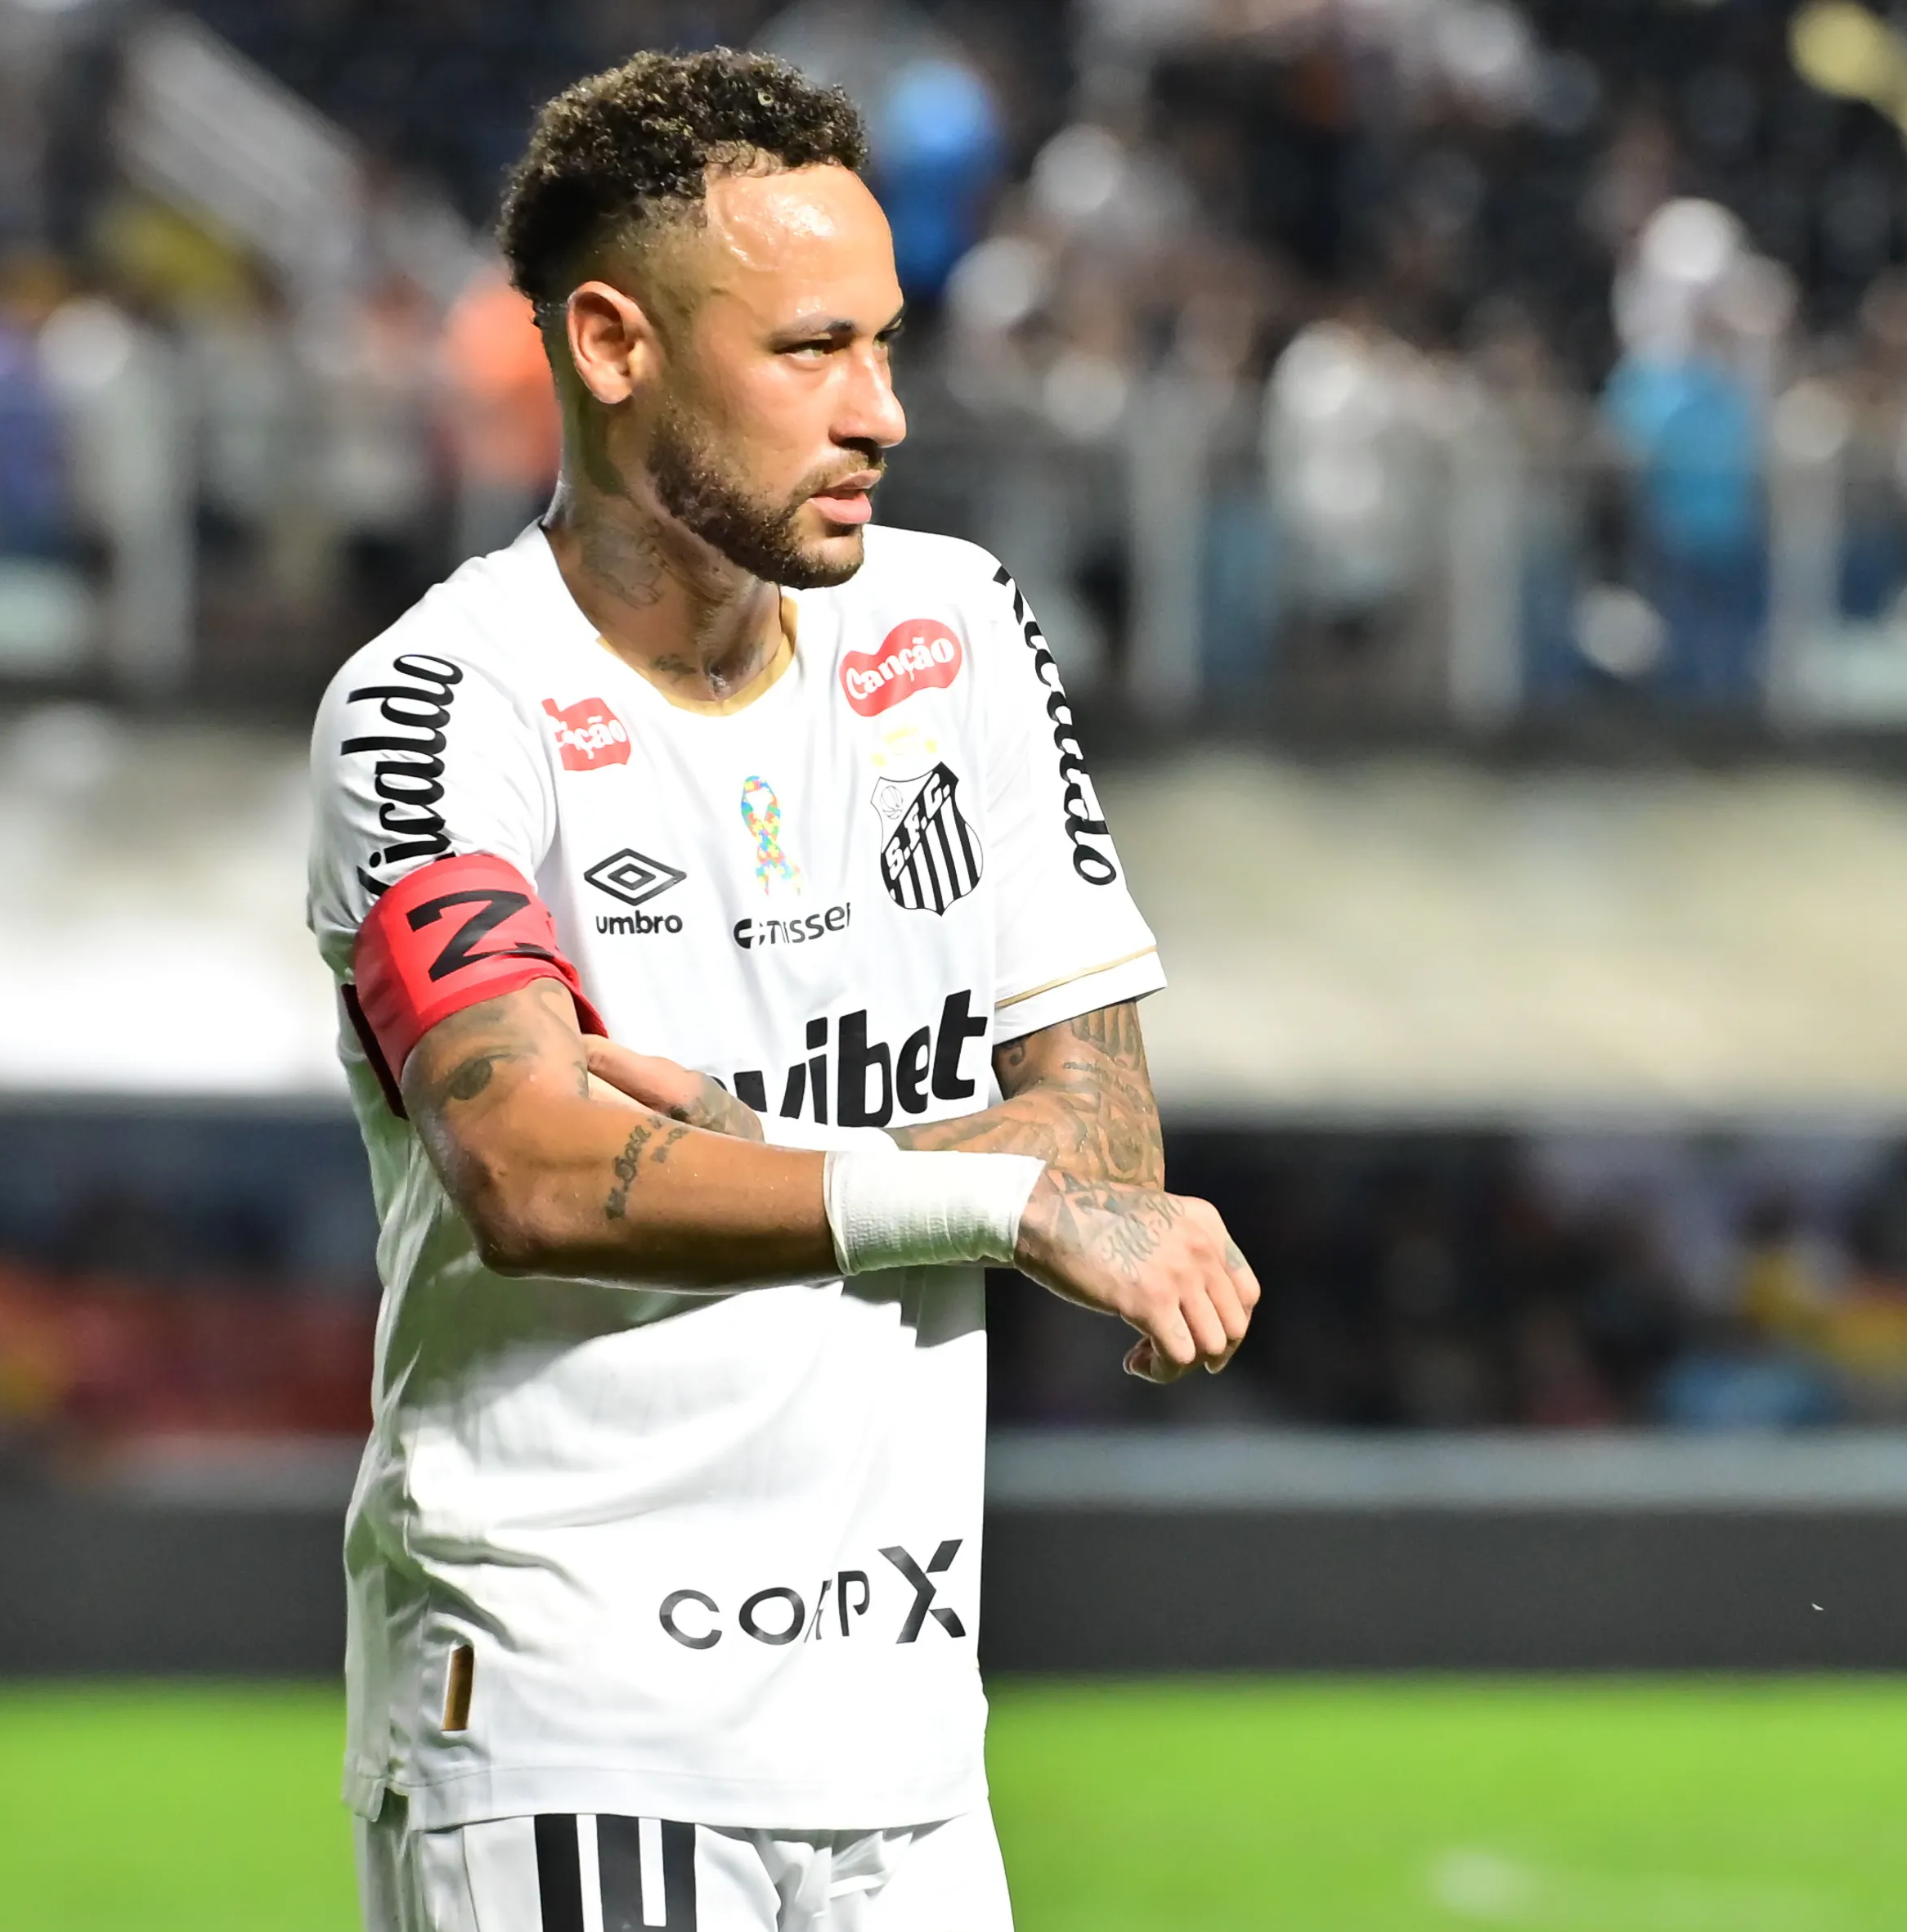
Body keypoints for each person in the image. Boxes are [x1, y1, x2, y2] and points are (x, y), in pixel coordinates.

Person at [305, 51, 1256, 1932]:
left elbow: (1102, 1124)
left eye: (887, 345)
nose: (881, 411)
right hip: (572, 1714)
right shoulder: (438, 710)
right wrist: (984, 1189)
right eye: (812, 350)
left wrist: (772, 1145)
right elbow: (536, 1175)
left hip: (901, 1745)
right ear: (612, 340)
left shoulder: (957, 628)